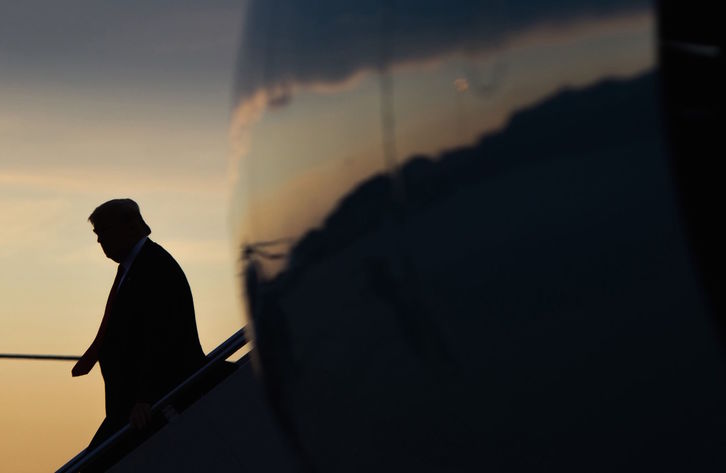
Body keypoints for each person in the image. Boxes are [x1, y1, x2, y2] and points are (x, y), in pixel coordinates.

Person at [72, 198, 206, 452]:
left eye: (104, 231)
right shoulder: (137, 267)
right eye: (96, 234)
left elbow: (162, 335)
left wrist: (145, 397)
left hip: (150, 402)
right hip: (130, 405)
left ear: (131, 227)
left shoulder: (155, 267)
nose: (99, 241)